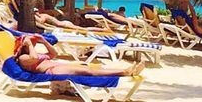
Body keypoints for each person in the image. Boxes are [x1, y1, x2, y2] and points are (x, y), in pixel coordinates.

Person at [13, 33, 141, 78]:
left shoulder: (35, 53)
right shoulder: (23, 58)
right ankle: (124, 72)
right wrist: (29, 44)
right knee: (86, 70)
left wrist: (44, 41)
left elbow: (54, 54)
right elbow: (34, 59)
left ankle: (126, 71)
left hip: (57, 66)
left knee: (91, 68)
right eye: (32, 42)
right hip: (51, 71)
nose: (34, 44)